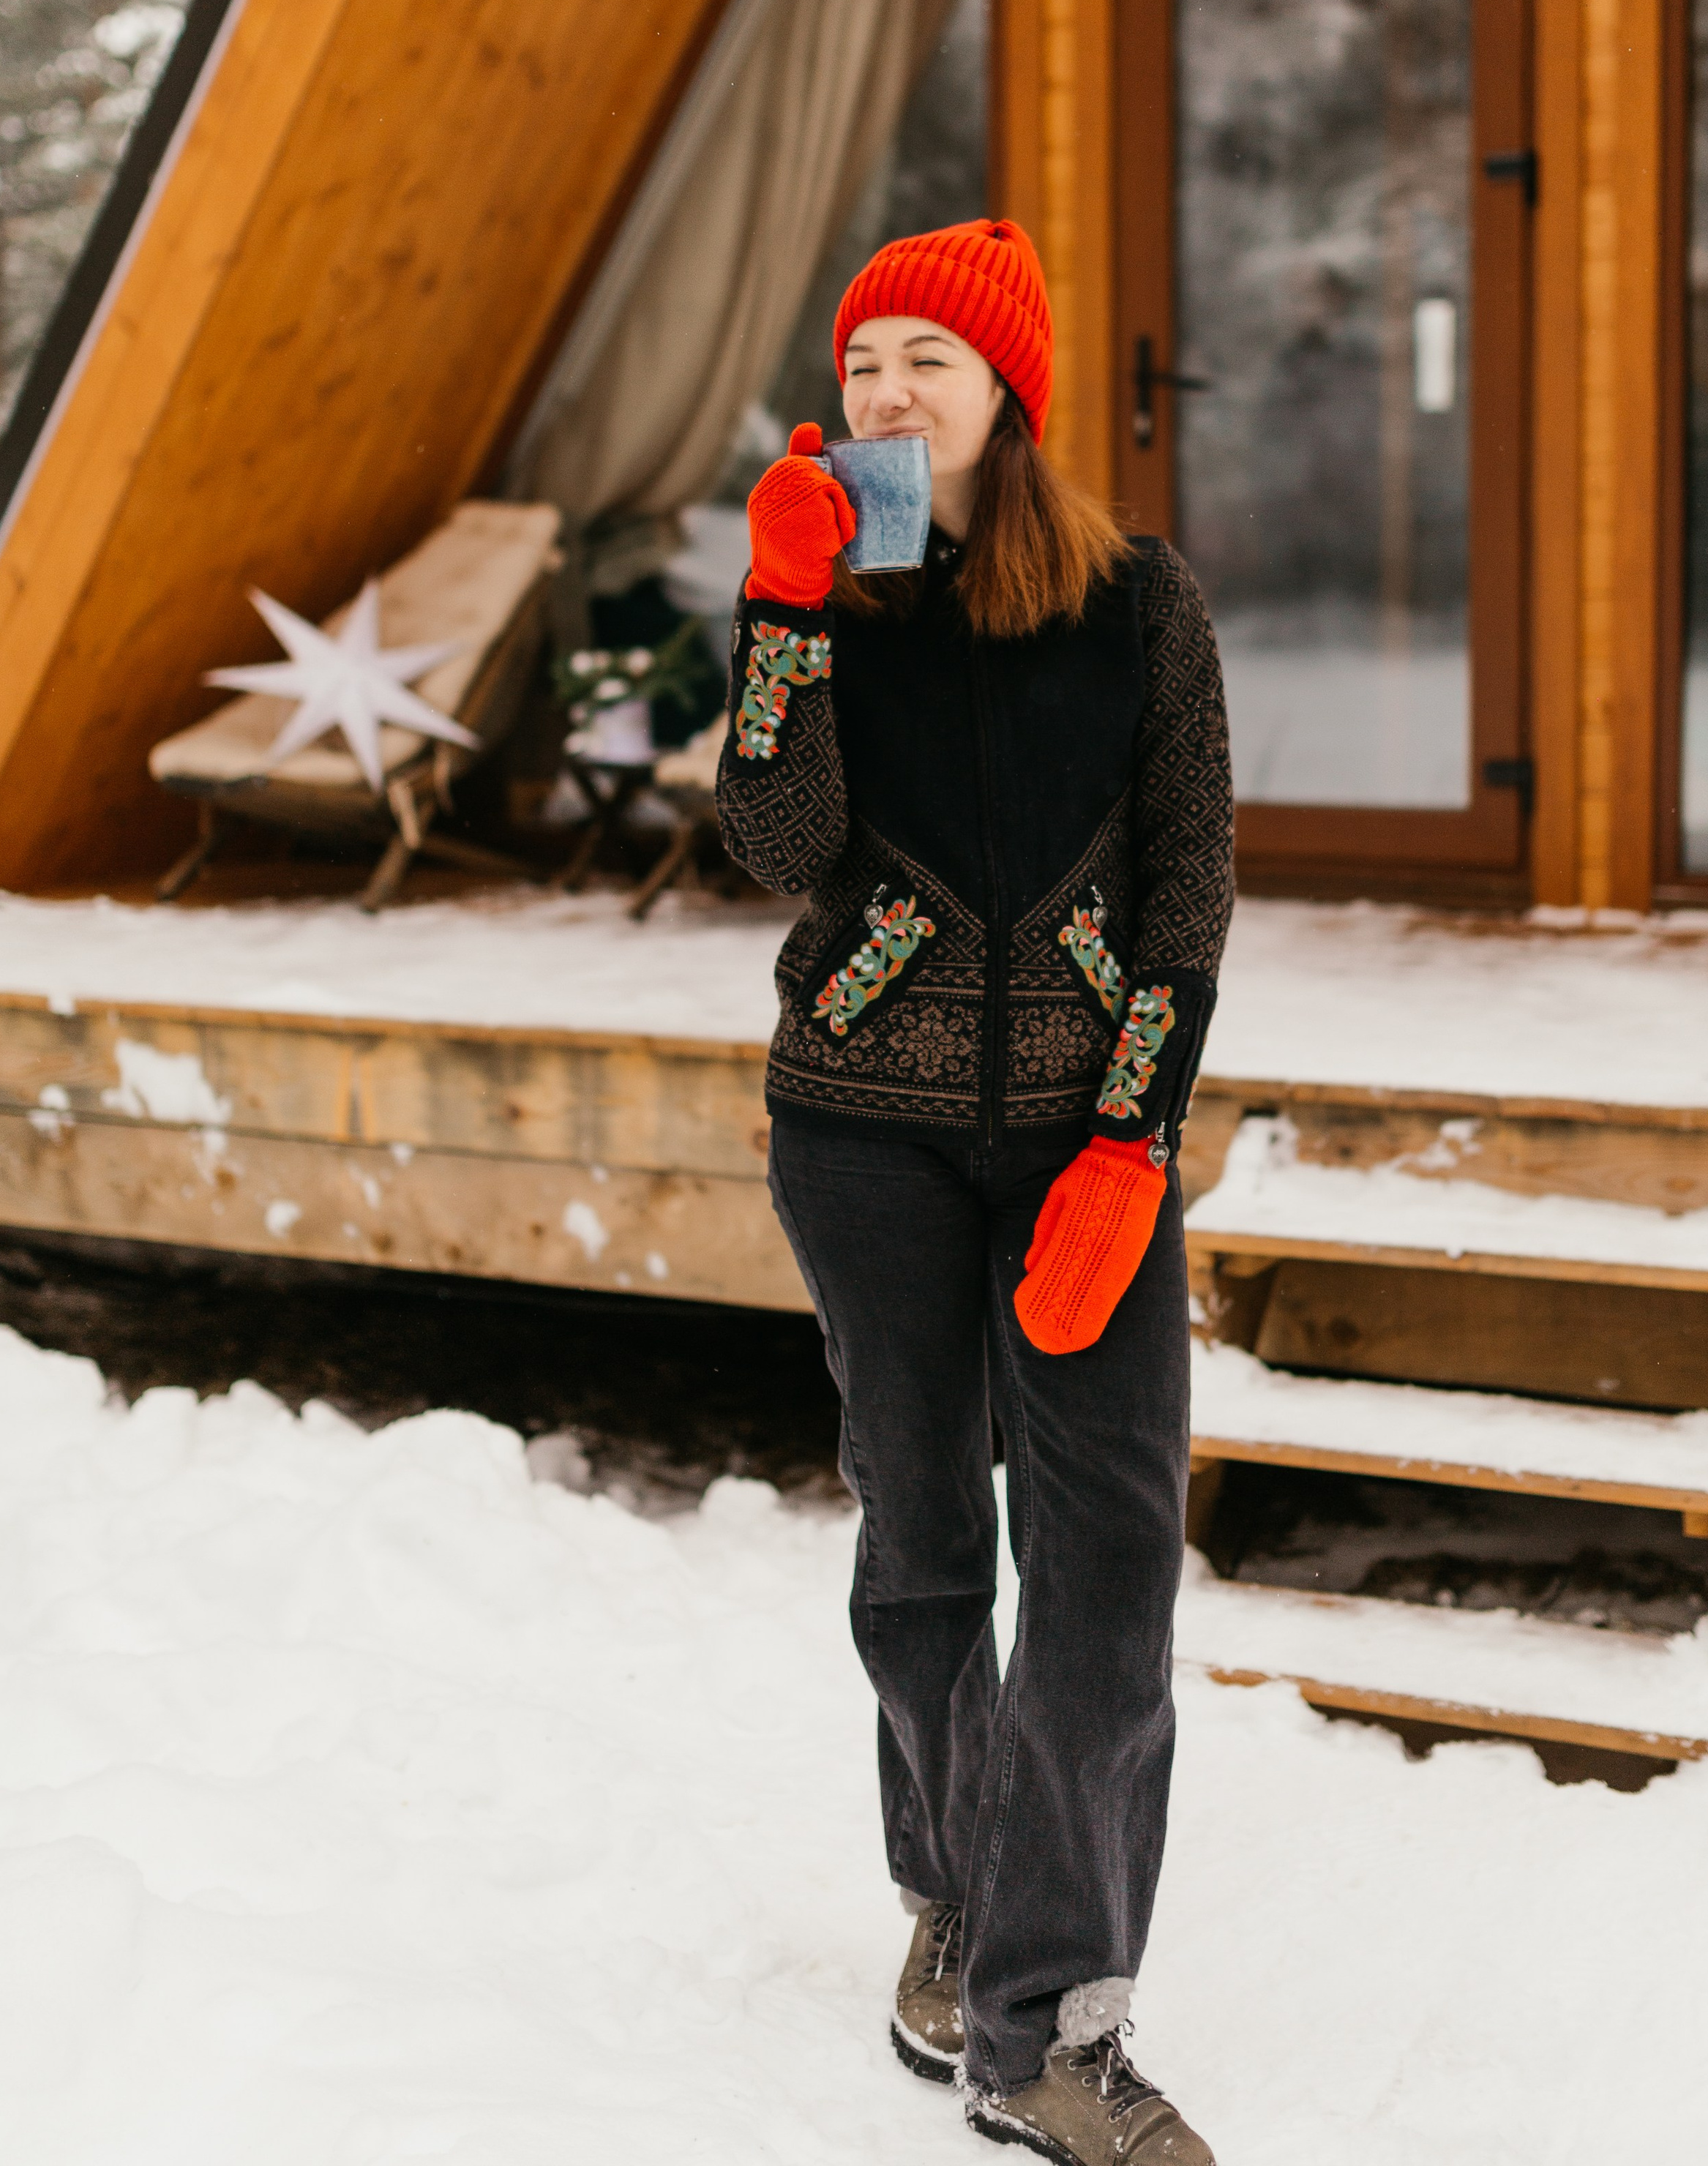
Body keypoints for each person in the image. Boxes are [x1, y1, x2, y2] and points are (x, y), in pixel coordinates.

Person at [715, 217, 1233, 2164]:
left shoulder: (1139, 602)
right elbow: (775, 839)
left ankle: (1052, 2024)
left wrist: (1132, 1136)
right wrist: (781, 619)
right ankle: (955, 1888)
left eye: (928, 358)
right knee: (926, 1534)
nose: (887, 391)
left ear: (1011, 390)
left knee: (1107, 1558)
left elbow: (1186, 887)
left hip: (1085, 1144)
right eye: (863, 362)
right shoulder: (830, 592)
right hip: (865, 1135)